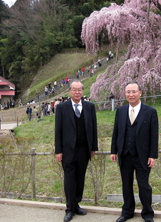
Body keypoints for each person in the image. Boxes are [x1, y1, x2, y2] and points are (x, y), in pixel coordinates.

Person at [110, 81, 159, 222]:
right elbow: (116, 132)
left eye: (134, 91)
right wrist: (113, 151)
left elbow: (154, 136)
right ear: (125, 94)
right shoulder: (120, 111)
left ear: (140, 93)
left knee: (144, 185)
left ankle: (148, 212)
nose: (131, 94)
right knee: (126, 184)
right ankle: (127, 212)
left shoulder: (150, 112)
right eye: (128, 92)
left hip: (142, 156)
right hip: (125, 155)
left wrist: (152, 155)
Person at [55, 80, 98, 222]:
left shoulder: (90, 107)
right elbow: (58, 130)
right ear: (69, 91)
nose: (77, 92)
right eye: (74, 89)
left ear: (82, 91)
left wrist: (93, 147)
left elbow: (94, 128)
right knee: (69, 180)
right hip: (67, 151)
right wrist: (58, 150)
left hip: (84, 150)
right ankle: (69, 209)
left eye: (80, 89)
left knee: (80, 178)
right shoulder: (62, 108)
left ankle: (76, 204)